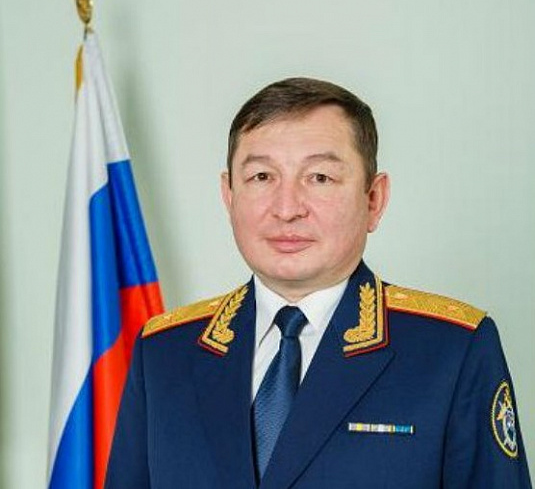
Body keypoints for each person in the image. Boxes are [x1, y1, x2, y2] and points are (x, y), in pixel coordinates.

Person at [105, 77, 532, 488]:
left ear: (374, 199)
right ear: (229, 195)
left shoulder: (451, 351)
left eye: (320, 178)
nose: (287, 208)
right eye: (262, 177)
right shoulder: (165, 352)